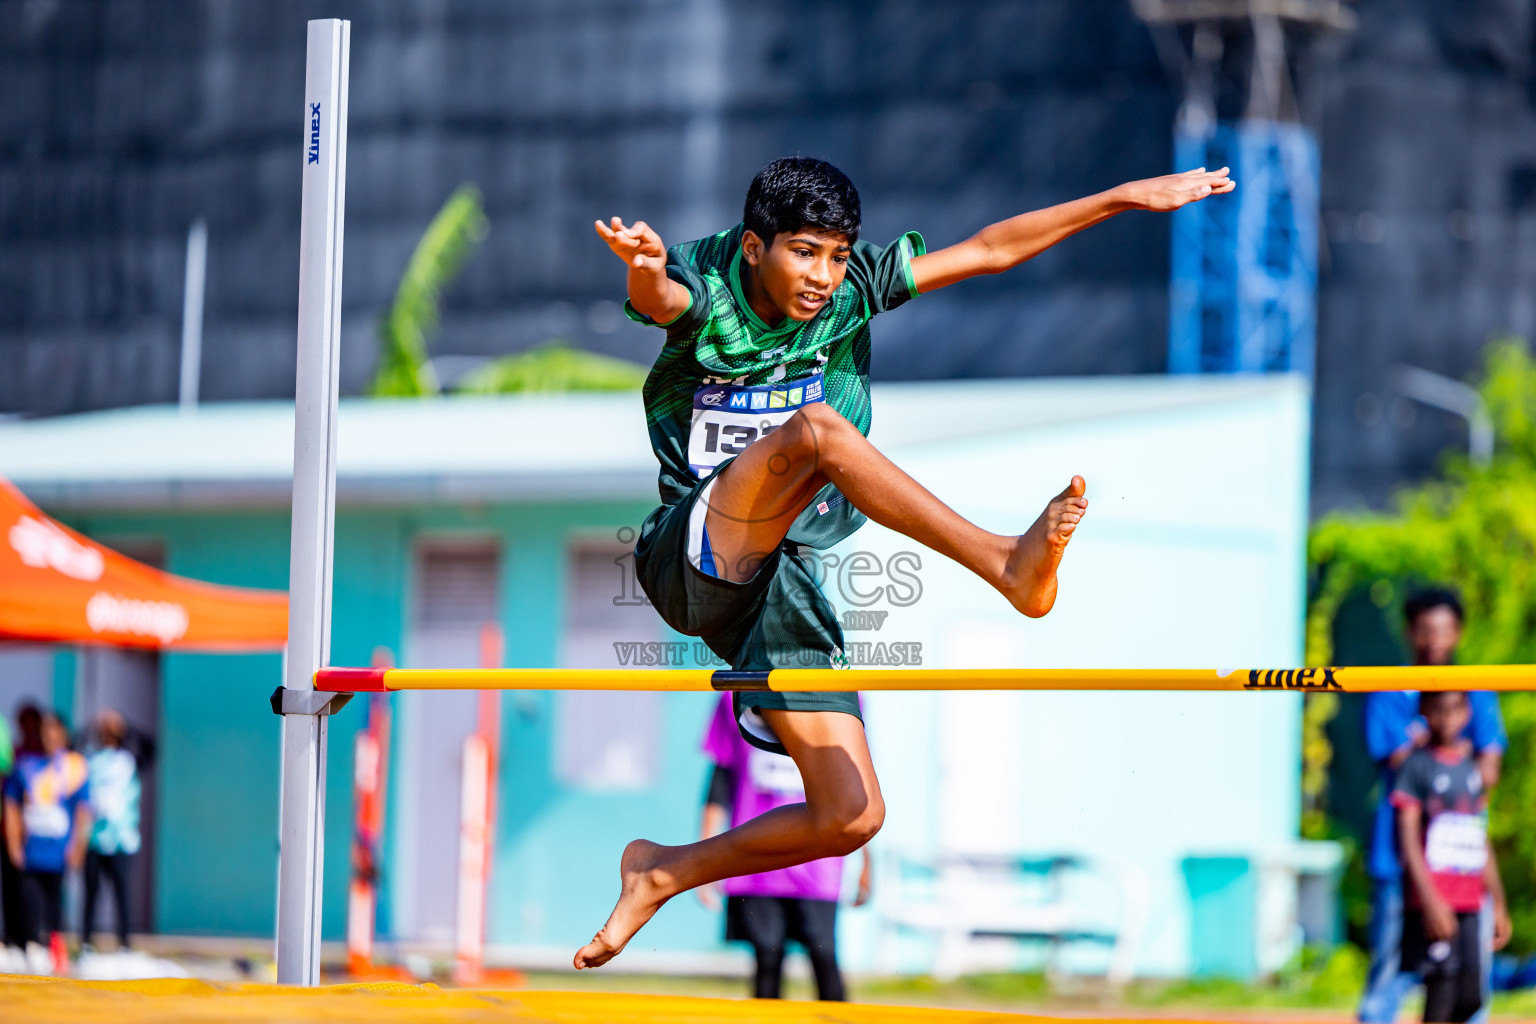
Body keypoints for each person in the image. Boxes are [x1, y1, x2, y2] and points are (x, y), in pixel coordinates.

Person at [573, 155, 1235, 969]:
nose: (823, 277)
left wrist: (1124, 197)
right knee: (818, 431)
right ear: (754, 248)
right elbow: (663, 300)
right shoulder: (710, 282)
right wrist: (644, 272)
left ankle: (660, 869)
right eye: (804, 253)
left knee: (850, 814)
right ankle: (1001, 562)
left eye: (838, 256)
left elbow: (990, 249)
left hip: (780, 584)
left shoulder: (849, 292)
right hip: (690, 553)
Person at [1359, 589, 1506, 1023]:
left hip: (1461, 862)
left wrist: (1496, 897)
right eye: (1424, 630)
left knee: (1467, 983)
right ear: (1409, 632)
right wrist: (1449, 753)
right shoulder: (1387, 688)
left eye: (1443, 630)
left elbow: (1486, 771)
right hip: (1403, 863)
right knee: (1392, 969)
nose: (1434, 641)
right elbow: (1407, 771)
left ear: (1458, 632)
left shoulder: (1475, 691)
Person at [700, 693, 870, 1000]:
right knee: (767, 956)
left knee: (824, 954)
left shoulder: (843, 693)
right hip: (756, 857)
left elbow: (857, 783)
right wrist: (705, 859)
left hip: (819, 858)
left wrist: (867, 861)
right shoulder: (734, 693)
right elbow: (721, 776)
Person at [1392, 691, 1511, 1022]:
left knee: (1471, 994)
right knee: (1440, 988)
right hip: (1434, 898)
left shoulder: (1471, 768)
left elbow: (1479, 837)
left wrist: (1497, 902)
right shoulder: (1417, 765)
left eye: (1454, 710)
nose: (1447, 718)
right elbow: (1408, 838)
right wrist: (1429, 900)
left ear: (1467, 713)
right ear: (1425, 713)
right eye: (1438, 710)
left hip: (1470, 900)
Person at [3, 709, 91, 971]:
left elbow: (84, 811)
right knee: (27, 901)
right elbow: (11, 807)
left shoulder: (74, 768)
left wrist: (79, 846)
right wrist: (14, 843)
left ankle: (55, 949)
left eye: (54, 732)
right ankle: (29, 947)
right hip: (31, 850)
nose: (49, 737)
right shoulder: (26, 766)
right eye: (45, 732)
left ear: (64, 735)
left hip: (59, 851)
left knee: (54, 903)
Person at [81, 709, 141, 951]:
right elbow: (72, 742)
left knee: (121, 894)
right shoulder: (89, 760)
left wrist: (123, 724)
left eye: (111, 732)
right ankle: (86, 941)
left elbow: (150, 746)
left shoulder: (129, 760)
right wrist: (94, 725)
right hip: (94, 838)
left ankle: (124, 942)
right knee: (91, 894)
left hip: (121, 840)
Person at [1, 704, 42, 961]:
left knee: (32, 890)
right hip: (9, 830)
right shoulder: (15, 754)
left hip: (38, 836)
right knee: (10, 887)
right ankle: (10, 939)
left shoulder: (41, 756)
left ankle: (33, 940)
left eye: (31, 722)